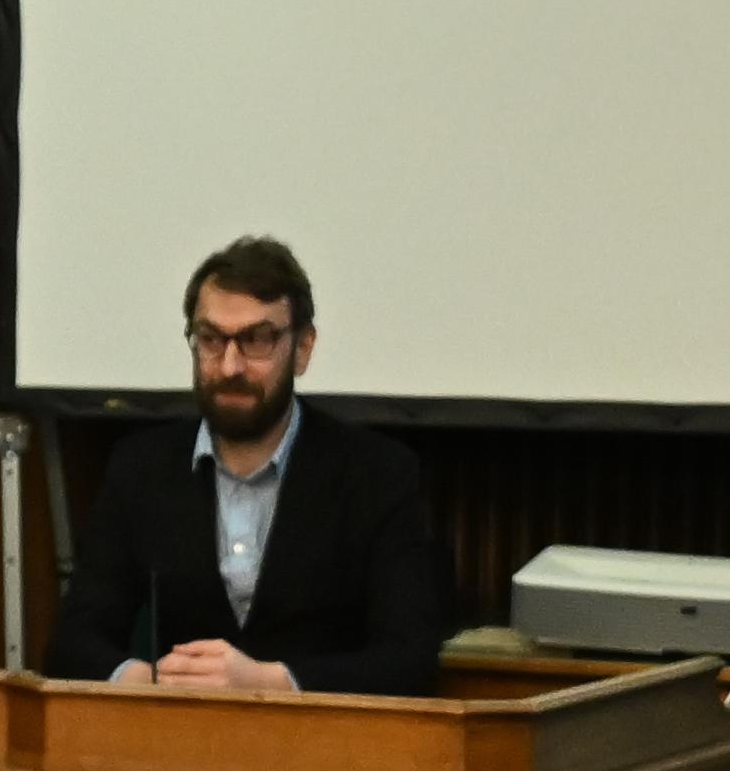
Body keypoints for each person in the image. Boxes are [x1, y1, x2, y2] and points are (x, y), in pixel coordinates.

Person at [53, 235, 448, 698]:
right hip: (175, 745)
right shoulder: (142, 469)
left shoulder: (376, 474)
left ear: (302, 348)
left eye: (257, 340)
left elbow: (410, 658)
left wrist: (270, 683)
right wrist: (151, 680)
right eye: (210, 339)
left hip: (327, 750)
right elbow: (72, 643)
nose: (229, 365)